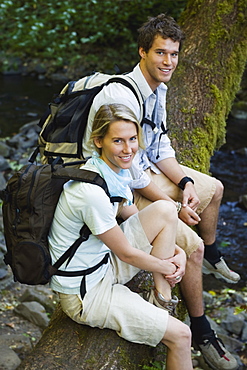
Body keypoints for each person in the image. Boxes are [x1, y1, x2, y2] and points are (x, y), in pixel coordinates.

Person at [81, 14, 239, 370]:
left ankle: (215, 254)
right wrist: (172, 204)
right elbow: (130, 167)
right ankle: (201, 331)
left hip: (143, 170)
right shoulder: (122, 95)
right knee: (191, 248)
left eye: (174, 54)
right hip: (121, 184)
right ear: (142, 52)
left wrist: (184, 184)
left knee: (212, 188)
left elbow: (160, 145)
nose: (168, 62)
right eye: (160, 53)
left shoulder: (159, 89)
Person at [48, 103, 193, 370]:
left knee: (164, 209)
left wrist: (178, 252)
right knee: (182, 336)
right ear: (99, 141)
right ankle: (165, 322)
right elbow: (126, 252)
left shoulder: (110, 171)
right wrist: (168, 265)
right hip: (87, 293)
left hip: (101, 263)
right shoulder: (90, 193)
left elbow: (132, 214)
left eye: (132, 139)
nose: (128, 150)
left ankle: (161, 302)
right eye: (118, 141)